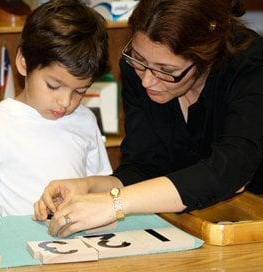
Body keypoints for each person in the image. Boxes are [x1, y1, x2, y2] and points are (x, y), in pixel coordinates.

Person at [35, 0, 263, 237]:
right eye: (139, 60)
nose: (147, 81)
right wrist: (90, 187)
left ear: (206, 58)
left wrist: (114, 204)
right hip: (196, 229)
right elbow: (144, 166)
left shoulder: (250, 67)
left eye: (167, 71)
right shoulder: (137, 69)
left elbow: (228, 170)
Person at [0, 0, 112, 238]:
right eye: (53, 85)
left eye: (80, 91)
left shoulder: (84, 119)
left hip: (79, 241)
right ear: (24, 62)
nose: (65, 102)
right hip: (21, 242)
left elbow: (102, 182)